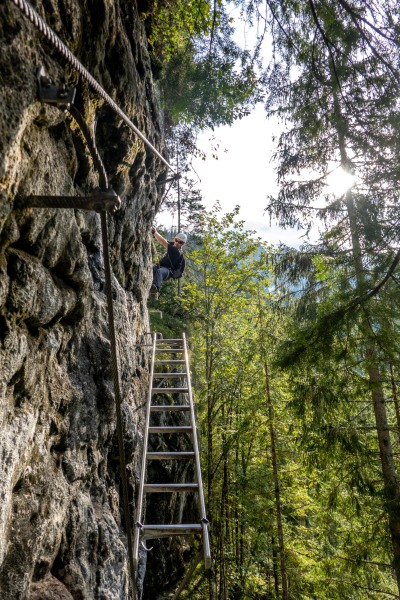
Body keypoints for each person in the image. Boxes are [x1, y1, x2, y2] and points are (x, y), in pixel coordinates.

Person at [150, 227, 187, 294]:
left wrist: (154, 232)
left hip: (168, 271)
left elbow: (163, 242)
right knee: (150, 268)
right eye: (176, 240)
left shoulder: (176, 251)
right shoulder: (173, 245)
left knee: (159, 272)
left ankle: (155, 288)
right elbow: (164, 241)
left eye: (180, 242)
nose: (177, 243)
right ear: (174, 239)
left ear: (183, 244)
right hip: (160, 266)